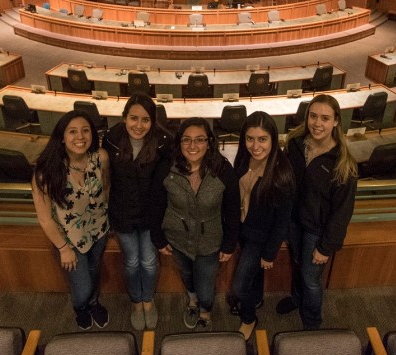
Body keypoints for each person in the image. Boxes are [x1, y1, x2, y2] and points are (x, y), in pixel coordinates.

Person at [276, 94, 357, 330]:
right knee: (298, 264)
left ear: (336, 122)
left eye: (325, 118)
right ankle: (297, 300)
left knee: (311, 279)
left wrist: (325, 247)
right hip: (294, 223)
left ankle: (312, 324)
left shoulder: (343, 163)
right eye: (313, 116)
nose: (317, 123)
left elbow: (343, 212)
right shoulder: (295, 143)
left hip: (317, 232)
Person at [151, 117, 240, 330]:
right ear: (179, 142)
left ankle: (205, 310)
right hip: (177, 239)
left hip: (210, 241)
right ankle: (192, 300)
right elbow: (156, 205)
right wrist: (158, 237)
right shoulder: (166, 167)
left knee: (206, 284)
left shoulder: (223, 169)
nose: (192, 146)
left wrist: (229, 243)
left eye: (199, 139)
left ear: (209, 142)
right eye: (186, 140)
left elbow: (232, 210)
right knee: (187, 274)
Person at [32, 110, 111, 330]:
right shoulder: (46, 171)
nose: (80, 137)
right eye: (73, 131)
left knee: (95, 272)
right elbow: (45, 218)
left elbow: (106, 187)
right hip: (69, 239)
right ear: (62, 136)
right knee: (82, 285)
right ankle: (81, 308)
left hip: (99, 230)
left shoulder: (100, 157)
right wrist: (63, 248)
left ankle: (94, 303)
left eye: (85, 131)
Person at [103, 93, 171, 330]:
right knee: (132, 262)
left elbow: (165, 185)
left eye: (145, 119)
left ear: (153, 121)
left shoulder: (163, 142)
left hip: (152, 216)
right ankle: (136, 301)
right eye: (133, 118)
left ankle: (148, 300)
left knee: (150, 262)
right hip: (122, 214)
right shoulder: (111, 139)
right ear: (124, 118)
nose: (138, 125)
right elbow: (106, 178)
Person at [230, 111, 295, 340]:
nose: (255, 146)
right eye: (250, 138)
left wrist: (269, 253)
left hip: (260, 238)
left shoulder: (281, 172)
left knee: (239, 287)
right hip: (242, 231)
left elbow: (282, 220)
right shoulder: (242, 158)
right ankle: (255, 300)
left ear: (273, 139)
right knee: (252, 276)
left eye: (262, 139)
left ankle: (249, 318)